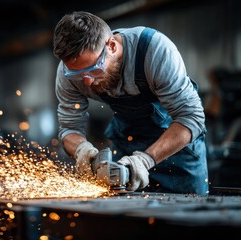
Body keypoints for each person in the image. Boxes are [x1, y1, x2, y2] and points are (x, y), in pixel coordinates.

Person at [52, 11, 209, 195]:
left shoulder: (154, 51)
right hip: (126, 152)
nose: (86, 82)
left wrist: (144, 160)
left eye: (94, 69)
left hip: (177, 152)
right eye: (77, 75)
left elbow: (191, 117)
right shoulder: (67, 72)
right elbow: (70, 129)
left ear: (111, 46)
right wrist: (81, 150)